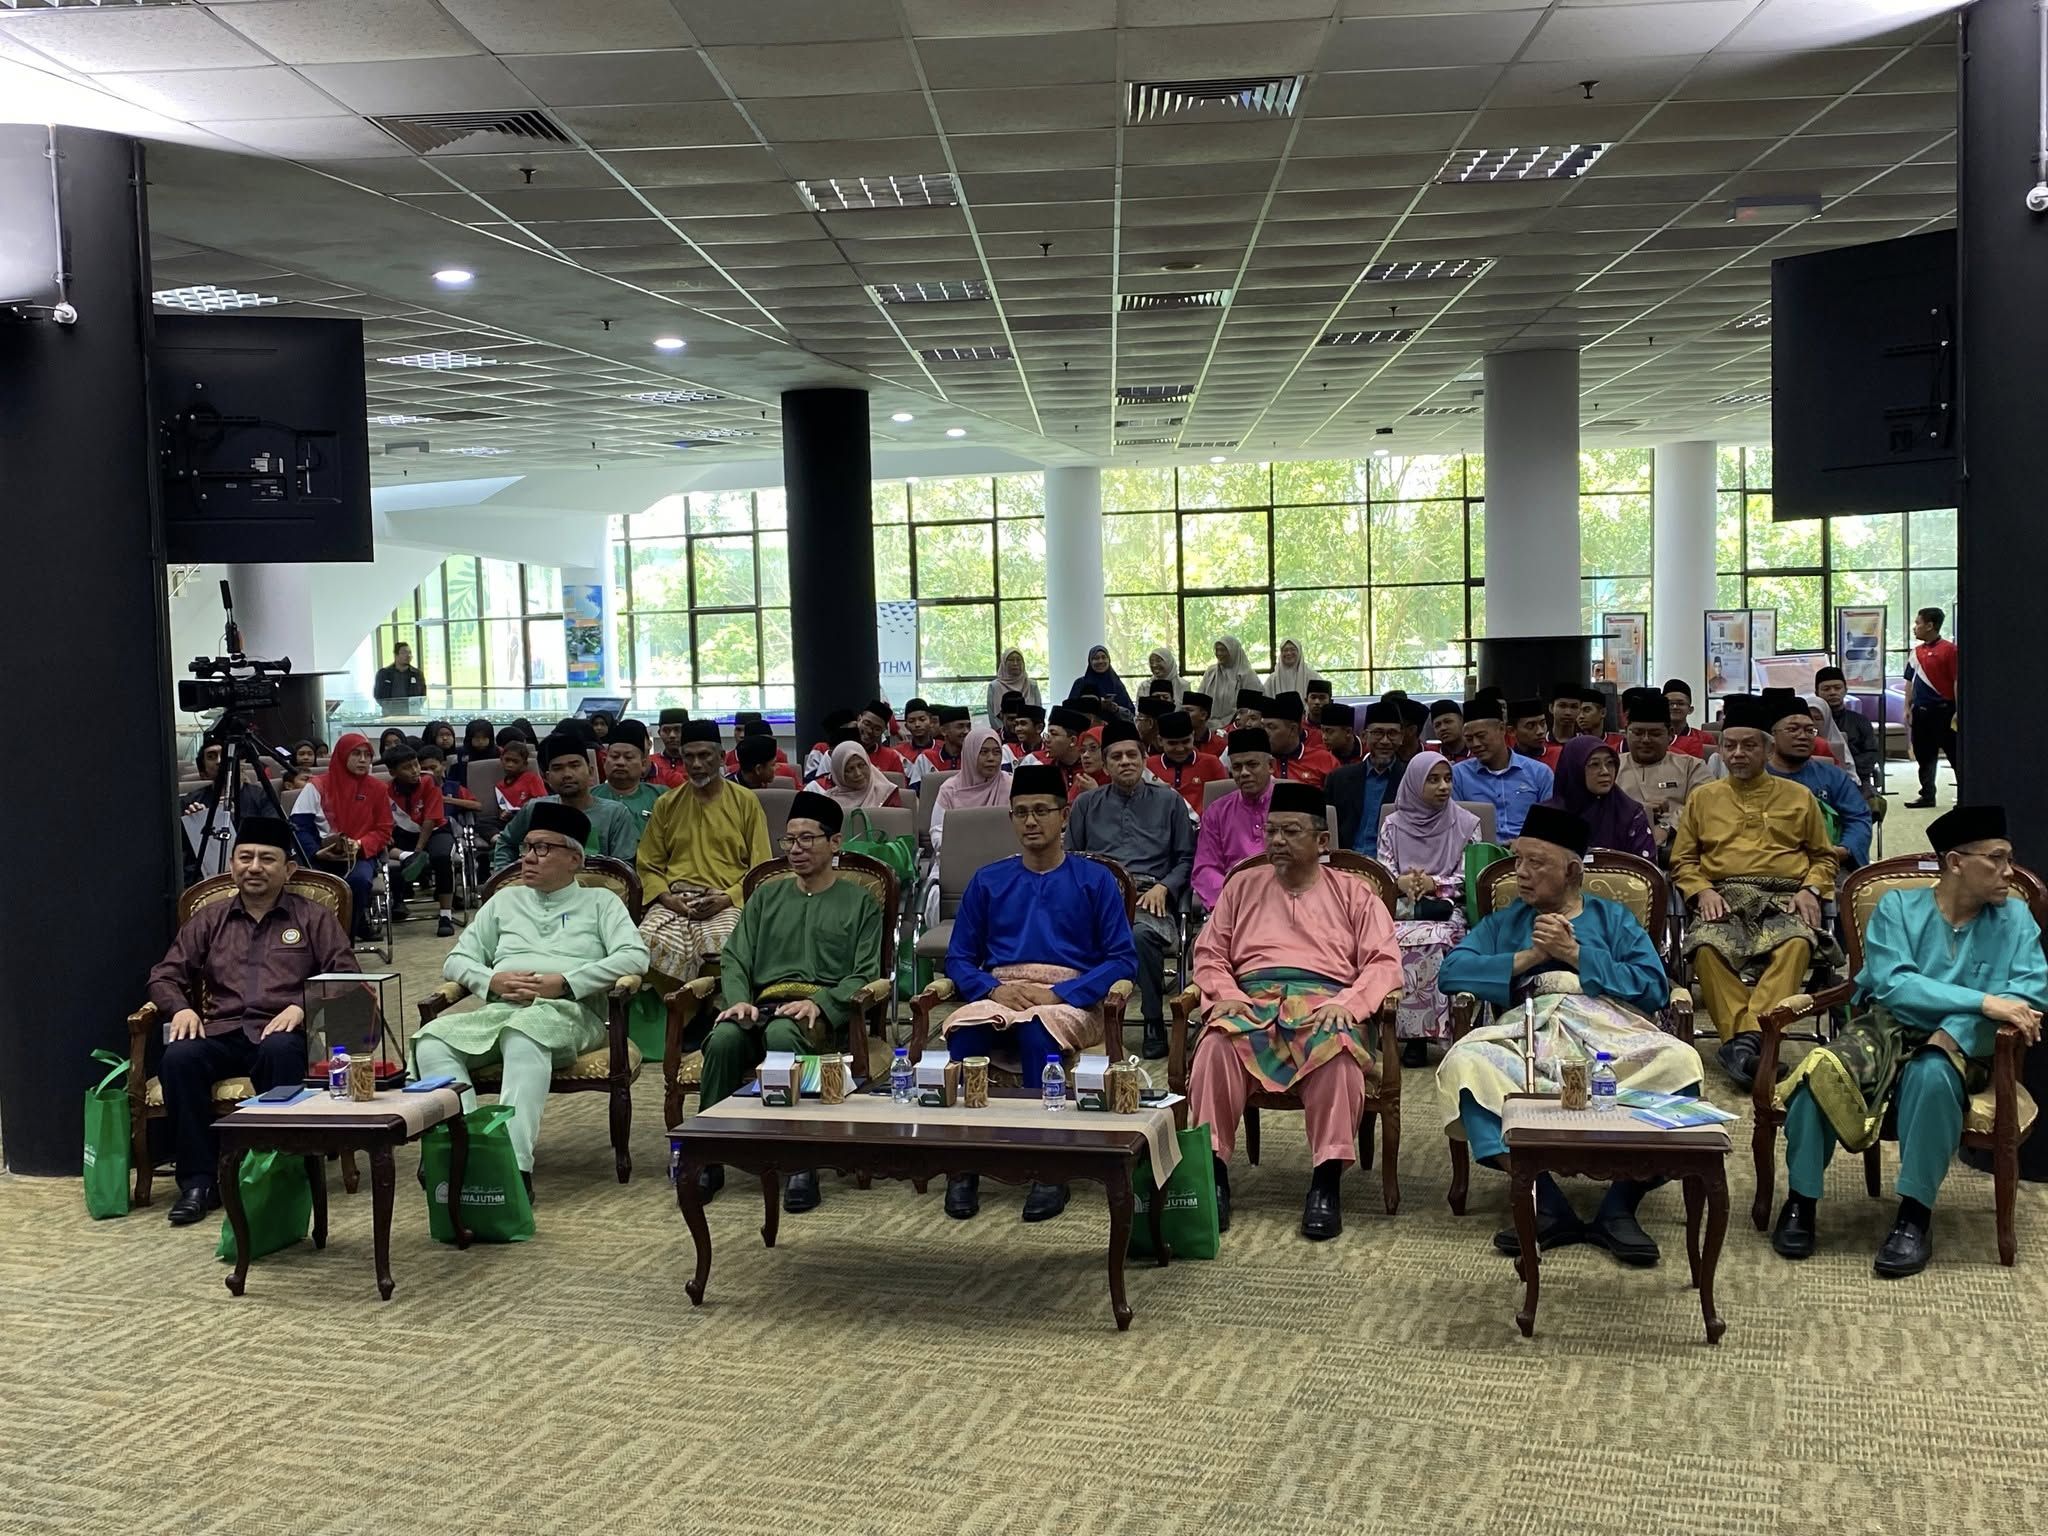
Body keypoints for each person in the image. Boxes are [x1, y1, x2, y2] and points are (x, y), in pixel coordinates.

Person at [1771, 806, 2048, 1277]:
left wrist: (1957, 1029)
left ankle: (1914, 1216)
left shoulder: (2015, 917)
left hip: (1965, 1044)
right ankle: (1801, 1200)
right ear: (1955, 862)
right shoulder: (1898, 908)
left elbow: (2029, 994)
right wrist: (1984, 1002)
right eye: (1997, 859)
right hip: (1884, 1029)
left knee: (1932, 1073)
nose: (2009, 872)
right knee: (1820, 1071)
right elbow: (1894, 985)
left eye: (2010, 858)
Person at [1437, 805, 1702, 1264]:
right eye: (1518, 859)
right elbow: (1451, 972)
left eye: (1536, 863)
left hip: (1609, 1032)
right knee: (1465, 1065)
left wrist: (1575, 954)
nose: (1520, 873)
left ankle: (1620, 1205)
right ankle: (1545, 1200)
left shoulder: (1614, 919)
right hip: (1530, 1030)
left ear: (1573, 871)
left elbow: (1653, 987)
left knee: (1681, 1066)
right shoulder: (1506, 922)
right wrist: (1530, 957)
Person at [1188, 782, 1403, 1240]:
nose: (1277, 841)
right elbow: (1209, 954)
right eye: (1271, 831)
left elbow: (1384, 962)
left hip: (1325, 1003)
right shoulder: (1241, 885)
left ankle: (1326, 1183)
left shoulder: (1354, 893)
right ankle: (1213, 1177)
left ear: (1322, 841)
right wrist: (1224, 993)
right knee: (1214, 1047)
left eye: (1290, 831)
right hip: (1251, 1001)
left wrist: (1348, 1005)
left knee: (1338, 1055)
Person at [940, 764, 1138, 1221]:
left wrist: (1062, 993)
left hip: (1069, 998)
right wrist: (992, 989)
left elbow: (1122, 960)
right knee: (965, 1035)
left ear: (1063, 816)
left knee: (1036, 1035)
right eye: (1021, 812)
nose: (1031, 821)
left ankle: (1048, 1165)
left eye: (1042, 811)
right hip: (1001, 992)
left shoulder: (1094, 880)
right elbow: (959, 958)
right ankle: (964, 1162)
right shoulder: (988, 880)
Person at [415, 802, 648, 1189]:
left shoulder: (600, 902)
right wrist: (492, 980)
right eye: (527, 848)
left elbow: (635, 957)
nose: (527, 858)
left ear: (574, 859)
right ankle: (467, 1148)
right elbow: (456, 960)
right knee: (431, 1042)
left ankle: (513, 1166)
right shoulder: (504, 901)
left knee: (524, 1035)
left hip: (571, 1013)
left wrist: (567, 981)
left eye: (542, 848)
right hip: (502, 1011)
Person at [146, 817, 357, 1225]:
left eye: (266, 859)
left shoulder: (313, 918)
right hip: (221, 1031)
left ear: (288, 869)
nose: (254, 867)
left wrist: (304, 1006)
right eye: (245, 857)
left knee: (281, 1050)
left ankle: (278, 1176)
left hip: (283, 1033)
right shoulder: (210, 919)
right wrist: (181, 1008)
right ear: (232, 865)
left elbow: (346, 978)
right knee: (179, 1058)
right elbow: (164, 976)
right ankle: (199, 1183)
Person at [693, 790, 887, 1208]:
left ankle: (801, 1160)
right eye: (789, 840)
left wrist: (823, 1004)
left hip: (818, 1015)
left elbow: (865, 972)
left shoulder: (860, 901)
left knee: (783, 1034)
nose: (795, 849)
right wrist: (738, 1000)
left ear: (834, 842)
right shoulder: (767, 896)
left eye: (807, 839)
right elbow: (736, 956)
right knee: (724, 1039)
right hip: (761, 1006)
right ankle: (708, 1155)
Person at [1670, 694, 1841, 1090]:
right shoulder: (1703, 798)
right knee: (1706, 948)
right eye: (1730, 745)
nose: (1738, 754)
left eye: (1748, 745)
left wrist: (1812, 889)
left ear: (1767, 747)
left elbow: (1824, 857)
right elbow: (1683, 860)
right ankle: (1757, 1044)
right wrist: (1701, 890)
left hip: (1785, 898)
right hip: (1723, 897)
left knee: (1797, 943)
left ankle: (1743, 1044)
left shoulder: (1798, 797)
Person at [1067, 719, 1196, 1059]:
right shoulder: (1086, 805)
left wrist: (1165, 887)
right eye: (1116, 756)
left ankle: (1153, 1020)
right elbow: (1071, 860)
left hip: (1149, 897)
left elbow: (1187, 858)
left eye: (1131, 755)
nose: (1125, 762)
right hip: (1098, 899)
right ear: (1105, 764)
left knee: (1140, 935)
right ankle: (1081, 1020)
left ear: (1143, 758)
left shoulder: (1170, 801)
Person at [636, 720, 772, 989]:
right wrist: (668, 898)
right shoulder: (667, 804)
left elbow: (761, 866)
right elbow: (649, 864)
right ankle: (674, 1011)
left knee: (724, 949)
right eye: (689, 757)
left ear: (721, 757)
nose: (696, 764)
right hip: (676, 900)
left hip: (727, 900)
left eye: (704, 755)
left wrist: (727, 898)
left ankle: (712, 1011)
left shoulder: (745, 801)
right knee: (640, 946)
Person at [1377, 751, 1484, 1062]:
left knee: (1435, 938)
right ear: (1414, 783)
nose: (1443, 786)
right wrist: (1402, 883)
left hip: (1449, 908)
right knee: (1388, 937)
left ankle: (1425, 1035)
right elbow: (1384, 870)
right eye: (1433, 780)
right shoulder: (1392, 825)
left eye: (1448, 779)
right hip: (1403, 908)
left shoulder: (1467, 824)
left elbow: (1469, 877)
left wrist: (1433, 884)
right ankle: (1394, 1029)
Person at [1748, 686, 1871, 873]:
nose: (1802, 736)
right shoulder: (1754, 777)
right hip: (1763, 865)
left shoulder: (1833, 775)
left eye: (1809, 730)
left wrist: (1845, 849)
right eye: (1793, 729)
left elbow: (1858, 818)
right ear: (1772, 735)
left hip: (1828, 863)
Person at [288, 732, 392, 941]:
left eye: (367, 755)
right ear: (343, 755)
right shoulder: (317, 786)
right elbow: (298, 827)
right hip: (319, 854)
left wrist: (359, 844)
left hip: (359, 856)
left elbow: (384, 830)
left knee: (358, 881)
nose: (363, 760)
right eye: (356, 754)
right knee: (310, 885)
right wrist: (317, 852)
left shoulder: (378, 789)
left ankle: (344, 941)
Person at [491, 732, 640, 873]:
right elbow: (506, 843)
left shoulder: (615, 814)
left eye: (575, 766)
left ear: (591, 771)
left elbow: (623, 867)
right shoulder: (536, 809)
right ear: (546, 778)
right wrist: (505, 880)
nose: (567, 774)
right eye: (558, 768)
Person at [1614, 688, 1711, 860]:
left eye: (1655, 734)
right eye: (1637, 733)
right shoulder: (1611, 766)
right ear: (1626, 732)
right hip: (1621, 850)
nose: (1645, 740)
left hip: (1679, 851)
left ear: (1670, 734)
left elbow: (1704, 805)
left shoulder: (1692, 766)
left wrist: (1668, 826)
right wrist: (1641, 810)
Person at [1192, 728, 1277, 912]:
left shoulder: (1294, 807)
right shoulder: (1217, 811)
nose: (1244, 773)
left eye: (1252, 764)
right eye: (1237, 767)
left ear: (1271, 766)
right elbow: (1205, 868)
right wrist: (1232, 900)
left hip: (1284, 901)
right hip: (1233, 904)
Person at [1453, 699, 1555, 842]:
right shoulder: (1458, 775)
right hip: (1480, 851)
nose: (1475, 744)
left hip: (1528, 850)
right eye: (1469, 739)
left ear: (1502, 729)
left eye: (1481, 736)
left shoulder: (1539, 773)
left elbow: (1550, 825)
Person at [385, 741, 456, 936]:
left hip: (435, 831)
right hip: (404, 834)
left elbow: (430, 820)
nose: (415, 770)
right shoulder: (387, 791)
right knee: (381, 845)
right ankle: (406, 863)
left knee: (442, 857)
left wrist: (418, 850)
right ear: (393, 772)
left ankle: (445, 916)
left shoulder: (429, 781)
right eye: (407, 767)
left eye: (416, 764)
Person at [1544, 735, 1655, 860]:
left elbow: (1645, 868)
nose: (1605, 771)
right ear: (1574, 769)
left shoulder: (1630, 814)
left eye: (1610, 763)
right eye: (1594, 764)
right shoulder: (1546, 817)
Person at [1329, 700, 1408, 858]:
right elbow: (1326, 826)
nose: (1385, 741)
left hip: (1392, 863)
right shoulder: (1339, 778)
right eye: (1378, 733)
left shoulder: (1410, 779)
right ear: (1364, 736)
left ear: (1401, 738)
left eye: (1392, 734)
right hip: (1345, 861)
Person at [1904, 606, 1959, 808]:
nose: (1914, 627)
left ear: (1930, 625)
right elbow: (1909, 681)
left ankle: (1965, 794)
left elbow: (1957, 681)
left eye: (1917, 623)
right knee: (1923, 754)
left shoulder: (1950, 650)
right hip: (1920, 712)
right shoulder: (1915, 652)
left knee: (1955, 755)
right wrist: (1907, 707)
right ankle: (1927, 794)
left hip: (1944, 711)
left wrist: (1958, 710)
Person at [931, 726, 1011, 853]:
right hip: (960, 854)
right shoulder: (950, 789)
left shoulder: (1011, 785)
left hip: (1003, 854)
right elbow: (937, 832)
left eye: (996, 752)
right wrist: (967, 846)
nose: (991, 758)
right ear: (970, 754)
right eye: (983, 752)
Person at [1148, 708, 1227, 817]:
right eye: (1172, 743)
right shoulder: (1149, 766)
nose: (1180, 749)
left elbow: (1225, 802)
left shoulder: (1211, 763)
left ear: (1193, 737)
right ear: (1160, 741)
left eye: (1186, 741)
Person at [1814, 666, 1881, 790]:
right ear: (1817, 693)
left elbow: (1871, 753)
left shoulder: (1860, 721)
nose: (1832, 692)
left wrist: (1847, 769)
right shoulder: (1811, 723)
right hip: (1819, 778)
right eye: (1826, 689)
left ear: (1845, 690)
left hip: (1858, 779)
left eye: (1837, 688)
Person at [594, 719, 665, 830]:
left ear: (643, 764)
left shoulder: (661, 796)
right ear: (604, 762)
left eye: (628, 757)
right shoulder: (589, 797)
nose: (620, 762)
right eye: (615, 756)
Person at [1262, 691, 1339, 788]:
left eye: (1271, 727)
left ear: (1293, 729)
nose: (1264, 733)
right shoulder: (1258, 762)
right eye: (1262, 727)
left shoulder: (1325, 760)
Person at [817, 739, 905, 815]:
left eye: (861, 765)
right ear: (839, 775)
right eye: (850, 769)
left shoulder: (887, 794)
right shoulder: (828, 803)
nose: (858, 773)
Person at [908, 705, 974, 785]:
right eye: (960, 727)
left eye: (968, 727)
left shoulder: (974, 758)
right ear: (943, 731)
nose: (966, 731)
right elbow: (915, 790)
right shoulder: (926, 758)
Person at [1036, 704, 1091, 799]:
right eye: (1047, 734)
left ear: (1073, 741)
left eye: (1053, 734)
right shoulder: (1042, 769)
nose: (1046, 740)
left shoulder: (1090, 770)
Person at [1198, 636, 1260, 712]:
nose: (1219, 653)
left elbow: (1254, 705)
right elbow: (1200, 699)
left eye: (1223, 650)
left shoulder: (1247, 675)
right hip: (1209, 718)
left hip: (1239, 718)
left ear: (1233, 651)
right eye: (1217, 650)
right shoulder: (1211, 672)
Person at [987, 649, 1040, 728]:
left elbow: (1038, 713)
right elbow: (993, 716)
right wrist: (1003, 732)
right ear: (1004, 663)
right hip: (1003, 732)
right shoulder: (994, 686)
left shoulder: (1032, 685)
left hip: (1029, 732)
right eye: (1011, 660)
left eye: (1018, 660)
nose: (1015, 663)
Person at [855, 702, 910, 777]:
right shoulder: (843, 751)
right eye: (867, 724)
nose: (870, 731)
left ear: (883, 731)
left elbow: (899, 783)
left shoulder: (891, 757)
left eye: (877, 729)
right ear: (859, 719)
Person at [494, 738, 547, 812]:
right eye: (507, 760)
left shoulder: (532, 779)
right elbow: (502, 807)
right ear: (501, 759)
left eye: (515, 761)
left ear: (524, 764)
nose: (510, 765)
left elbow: (543, 802)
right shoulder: (499, 786)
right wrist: (503, 813)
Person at [1662, 679, 1711, 758]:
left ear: (1690, 710)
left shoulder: (1705, 738)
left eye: (1680, 703)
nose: (1675, 707)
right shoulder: (1655, 739)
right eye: (1669, 703)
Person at [648, 707, 691, 789]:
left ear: (688, 731)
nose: (672, 735)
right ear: (659, 733)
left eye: (677, 730)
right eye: (666, 730)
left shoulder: (697, 763)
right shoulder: (650, 763)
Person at [1182, 691, 1225, 758]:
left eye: (1189, 710)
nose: (1182, 715)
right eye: (1182, 711)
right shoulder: (1176, 742)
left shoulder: (1220, 745)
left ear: (1203, 715)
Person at [1320, 701, 1361, 766]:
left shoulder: (1368, 754)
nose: (1324, 737)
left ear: (1348, 732)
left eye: (1330, 732)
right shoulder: (1319, 754)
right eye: (1322, 731)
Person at [1512, 698, 1553, 762]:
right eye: (1530, 726)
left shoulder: (1559, 756)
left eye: (1543, 724)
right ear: (1512, 731)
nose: (1540, 731)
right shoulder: (1506, 762)